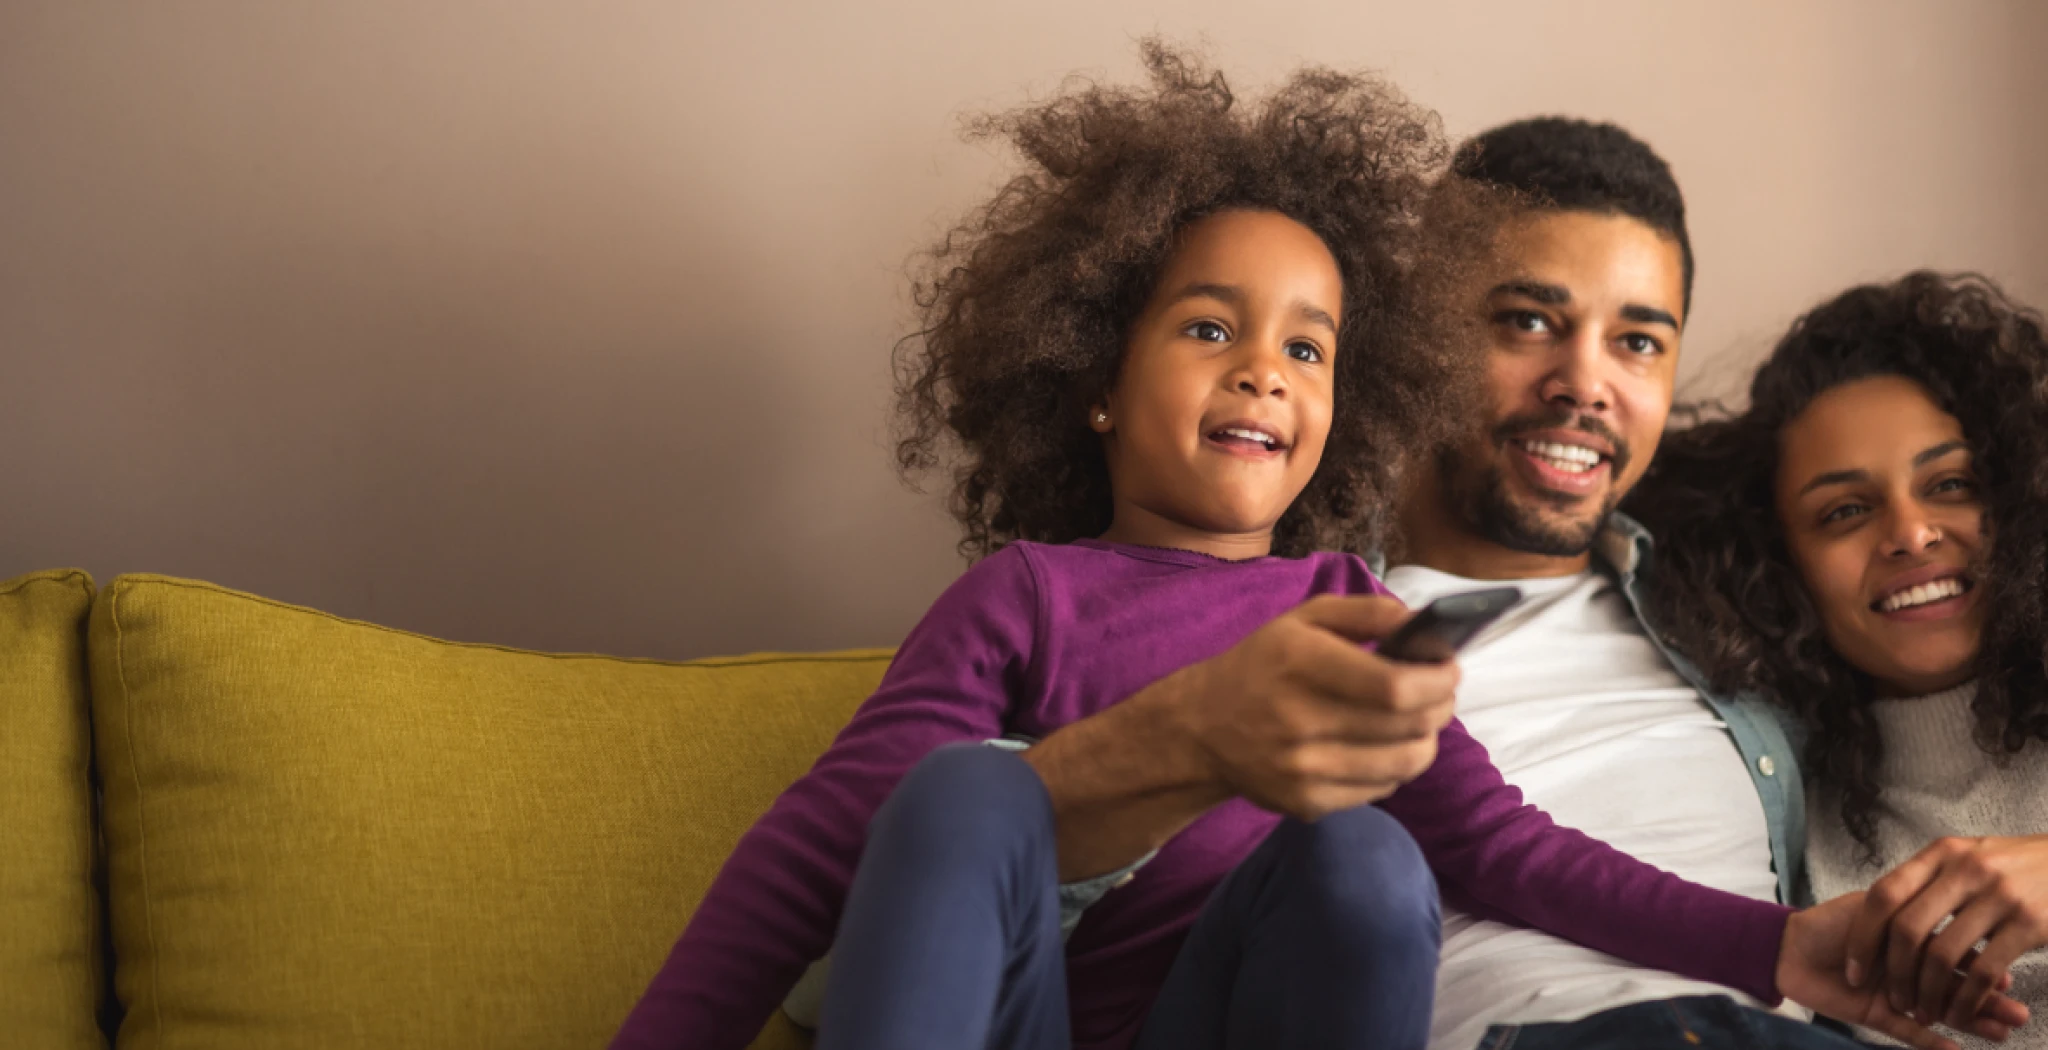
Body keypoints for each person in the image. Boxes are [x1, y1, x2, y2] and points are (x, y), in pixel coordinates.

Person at [608, 53, 1968, 1050]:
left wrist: (1779, 942)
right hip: (1039, 1026)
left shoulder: (1348, 606)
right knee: (964, 792)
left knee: (1368, 858)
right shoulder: (1025, 594)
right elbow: (825, 845)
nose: (1265, 371)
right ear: (1092, 370)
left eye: (1307, 347)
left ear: (1356, 396)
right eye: (1211, 328)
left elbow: (1504, 847)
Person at [1383, 119, 2026, 1050]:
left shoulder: (1732, 597)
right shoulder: (1296, 612)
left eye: (1638, 341)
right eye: (1528, 321)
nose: (1585, 384)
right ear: (1414, 332)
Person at [1632, 272, 2048, 1046]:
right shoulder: (1776, 803)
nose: (1911, 532)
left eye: (1951, 483)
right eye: (1845, 510)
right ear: (1777, 563)